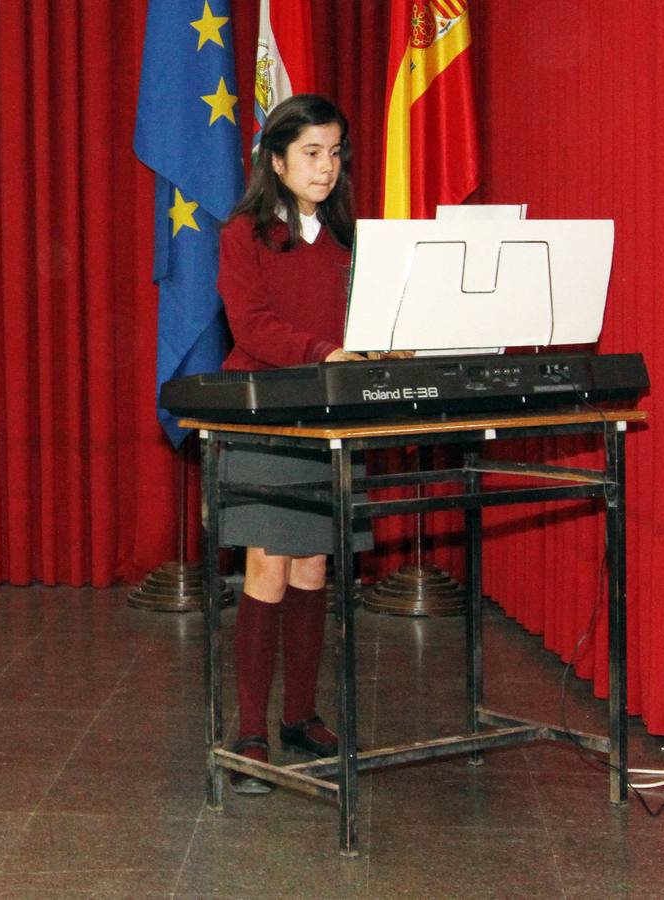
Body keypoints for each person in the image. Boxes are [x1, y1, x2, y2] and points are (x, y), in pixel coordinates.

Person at [215, 94, 390, 793]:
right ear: (278, 159)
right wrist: (327, 352)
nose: (327, 166)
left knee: (316, 566)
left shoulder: (350, 237)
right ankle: (250, 729)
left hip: (333, 417)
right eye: (312, 152)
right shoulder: (244, 232)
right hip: (267, 416)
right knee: (268, 569)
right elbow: (251, 326)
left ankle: (299, 715)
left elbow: (367, 319)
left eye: (336, 151)